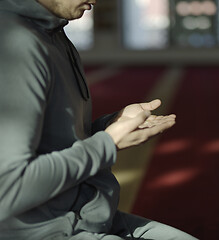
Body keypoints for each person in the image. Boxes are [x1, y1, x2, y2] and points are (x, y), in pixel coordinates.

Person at [0, 0, 198, 239]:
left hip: (83, 214)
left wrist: (108, 128)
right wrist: (107, 143)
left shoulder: (54, 34)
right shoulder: (16, 43)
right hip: (45, 230)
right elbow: (8, 190)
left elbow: (53, 145)